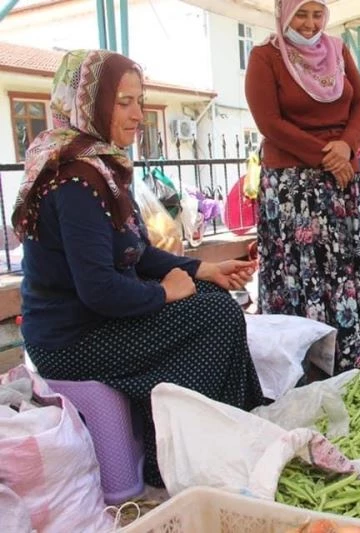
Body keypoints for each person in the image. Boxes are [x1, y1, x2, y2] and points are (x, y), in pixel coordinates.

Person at [15, 49, 267, 487]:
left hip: (93, 323)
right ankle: (176, 456)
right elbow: (100, 290)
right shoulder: (77, 178)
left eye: (140, 100)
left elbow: (138, 253)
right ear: (90, 106)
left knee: (213, 298)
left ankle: (225, 434)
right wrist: (166, 293)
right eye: (123, 102)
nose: (138, 114)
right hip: (71, 339)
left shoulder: (97, 164)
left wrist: (203, 271)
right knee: (215, 316)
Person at [245, 0, 360, 373]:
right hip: (294, 188)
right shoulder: (266, 57)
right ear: (284, 13)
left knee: (346, 267)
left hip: (341, 181)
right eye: (300, 14)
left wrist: (347, 149)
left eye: (316, 14)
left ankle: (351, 355)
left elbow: (359, 103)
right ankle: (306, 366)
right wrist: (328, 157)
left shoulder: (338, 50)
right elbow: (270, 122)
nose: (309, 24)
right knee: (303, 270)